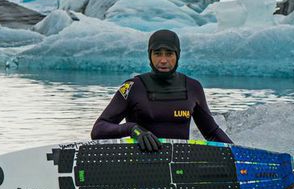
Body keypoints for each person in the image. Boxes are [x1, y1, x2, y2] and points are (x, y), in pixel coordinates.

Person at [91, 29, 232, 151]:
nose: (163, 60)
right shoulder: (132, 87)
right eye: (158, 53)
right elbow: (98, 129)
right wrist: (132, 129)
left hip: (178, 167)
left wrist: (239, 154)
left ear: (177, 55)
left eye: (169, 53)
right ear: (150, 55)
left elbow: (212, 133)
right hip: (140, 168)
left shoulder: (193, 87)